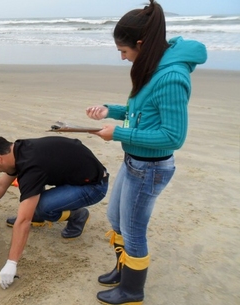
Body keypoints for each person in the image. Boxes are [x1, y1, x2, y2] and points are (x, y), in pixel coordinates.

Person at [85, 1, 207, 304]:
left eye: (124, 52)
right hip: (134, 161)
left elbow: (172, 136)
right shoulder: (152, 66)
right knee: (116, 218)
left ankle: (131, 290)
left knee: (134, 230)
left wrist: (119, 134)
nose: (124, 58)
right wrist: (110, 111)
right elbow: (141, 112)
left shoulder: (171, 77)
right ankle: (123, 268)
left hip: (151, 168)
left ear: (141, 44)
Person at [0, 136, 109, 289]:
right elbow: (1, 185)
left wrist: (11, 263)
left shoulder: (31, 166)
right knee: (30, 192)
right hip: (77, 175)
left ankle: (77, 215)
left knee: (40, 207)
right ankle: (43, 214)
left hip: (94, 187)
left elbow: (23, 221)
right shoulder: (20, 149)